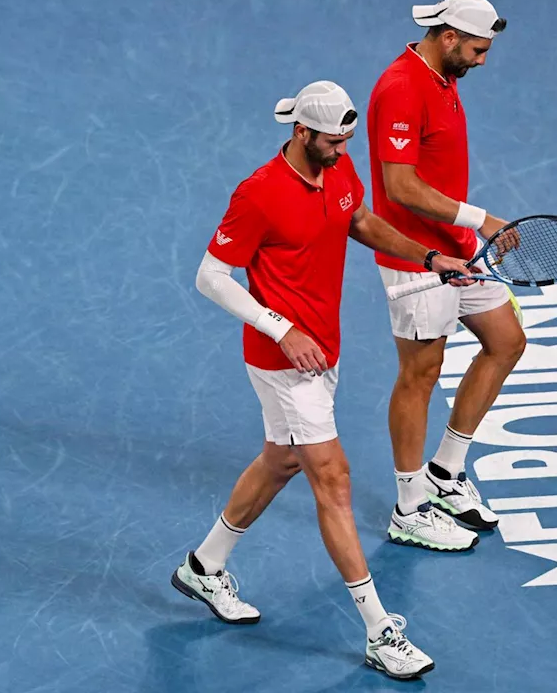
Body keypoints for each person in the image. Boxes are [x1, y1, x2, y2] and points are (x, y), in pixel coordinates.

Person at [172, 80, 477, 680]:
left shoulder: (337, 172)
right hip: (283, 360)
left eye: (346, 140)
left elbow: (358, 220)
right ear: (300, 132)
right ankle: (379, 631)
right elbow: (210, 276)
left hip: (322, 354)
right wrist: (280, 327)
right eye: (331, 141)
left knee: (280, 460)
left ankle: (202, 569)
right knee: (333, 480)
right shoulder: (257, 194)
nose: (341, 150)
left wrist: (429, 258)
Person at [365, 0, 527, 552]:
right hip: (416, 258)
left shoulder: (443, 77)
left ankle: (445, 470)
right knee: (421, 375)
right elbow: (399, 187)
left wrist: (467, 229)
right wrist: (482, 218)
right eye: (479, 51)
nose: (483, 61)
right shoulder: (401, 88)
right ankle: (409, 507)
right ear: (450, 37)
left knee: (506, 342)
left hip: (458, 247)